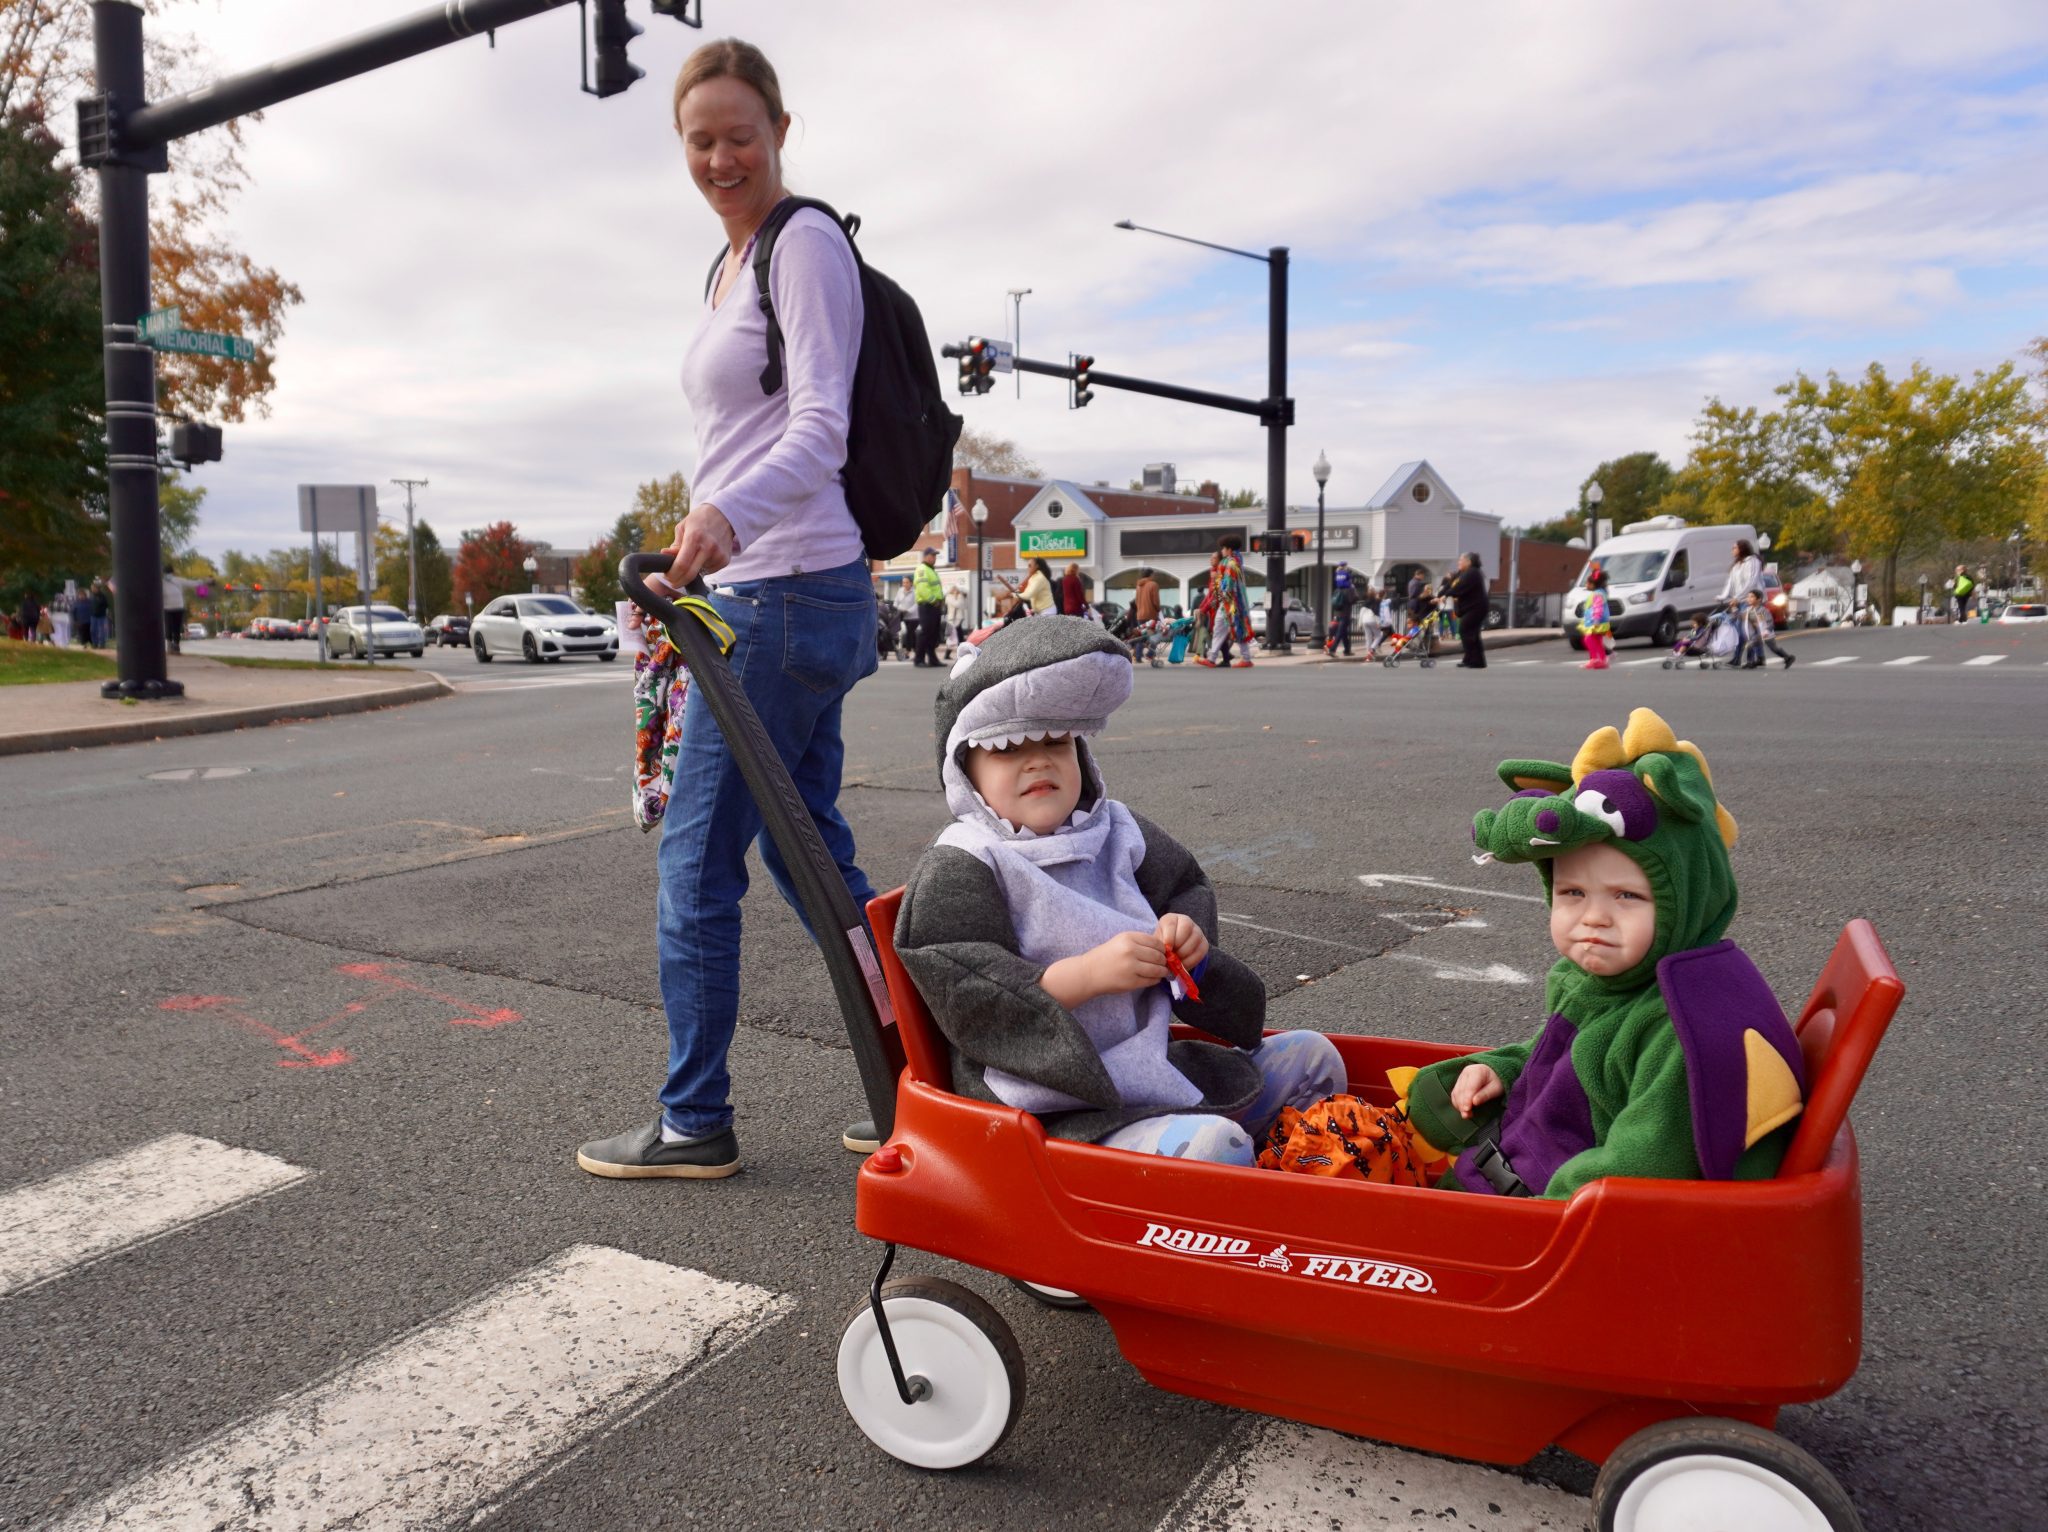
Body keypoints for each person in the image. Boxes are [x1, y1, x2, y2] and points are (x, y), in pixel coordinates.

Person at [579, 37, 882, 1180]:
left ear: (780, 133)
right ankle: (921, 1077)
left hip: (783, 594)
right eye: (698, 139)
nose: (719, 156)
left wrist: (721, 525)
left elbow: (820, 430)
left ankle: (693, 1117)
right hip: (775, 590)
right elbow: (750, 431)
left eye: (738, 135)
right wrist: (701, 539)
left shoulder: (801, 245)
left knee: (698, 865)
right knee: (813, 857)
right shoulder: (732, 264)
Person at [895, 617, 1345, 1164]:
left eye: (1056, 741)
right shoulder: (967, 860)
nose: (1038, 759)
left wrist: (1189, 940)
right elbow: (958, 977)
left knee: (1315, 1057)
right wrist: (1080, 977)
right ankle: (1237, 1179)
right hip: (1061, 1107)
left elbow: (1184, 887)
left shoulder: (1118, 829)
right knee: (1213, 1148)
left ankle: (1295, 1163)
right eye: (1008, 747)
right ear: (964, 771)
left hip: (1156, 1064)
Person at [1397, 708, 1807, 1199]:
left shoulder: (1684, 1032)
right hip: (1513, 1177)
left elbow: (1643, 1164)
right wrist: (1503, 1072)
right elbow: (1568, 1062)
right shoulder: (1611, 982)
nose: (1593, 917)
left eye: (1626, 896)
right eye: (1572, 893)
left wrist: (1543, 1211)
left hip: (1551, 1220)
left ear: (1689, 897)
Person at [1196, 535, 1253, 668]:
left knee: (1235, 629)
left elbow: (1228, 584)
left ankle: (1244, 659)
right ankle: (1213, 658)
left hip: (1231, 603)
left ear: (1229, 549)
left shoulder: (1231, 563)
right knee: (1223, 629)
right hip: (1230, 602)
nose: (1221, 551)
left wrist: (1217, 579)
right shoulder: (1234, 561)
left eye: (1223, 548)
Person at [1446, 552, 1489, 669]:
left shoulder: (1473, 573)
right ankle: (1473, 660)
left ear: (1468, 562)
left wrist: (1446, 595)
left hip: (1476, 608)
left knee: (1465, 630)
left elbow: (1459, 588)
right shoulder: (1463, 573)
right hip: (1471, 608)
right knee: (1472, 633)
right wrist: (1441, 594)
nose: (1458, 562)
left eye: (1461, 560)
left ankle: (1474, 660)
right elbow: (1451, 586)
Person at [1738, 589, 1795, 669]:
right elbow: (1740, 616)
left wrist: (1767, 630)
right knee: (1751, 645)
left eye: (1752, 597)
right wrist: (1734, 609)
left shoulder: (1762, 610)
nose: (1749, 599)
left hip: (1766, 634)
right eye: (1748, 597)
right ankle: (1752, 662)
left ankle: (1788, 658)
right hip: (1758, 634)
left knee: (1774, 648)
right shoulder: (1749, 610)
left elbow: (1769, 622)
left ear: (1759, 599)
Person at [912, 546, 945, 667]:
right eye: (932, 555)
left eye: (935, 556)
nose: (934, 558)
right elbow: (922, 589)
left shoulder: (930, 570)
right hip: (928, 606)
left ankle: (932, 659)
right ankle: (919, 659)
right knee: (925, 632)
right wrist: (933, 600)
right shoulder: (922, 569)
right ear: (925, 556)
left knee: (933, 633)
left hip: (934, 606)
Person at [1579, 562, 1611, 670]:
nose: (1586, 585)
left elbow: (1598, 607)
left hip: (1597, 622)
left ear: (1594, 584)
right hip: (1600, 622)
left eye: (1588, 583)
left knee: (1588, 639)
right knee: (1597, 641)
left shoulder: (1597, 594)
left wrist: (1596, 620)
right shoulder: (1601, 592)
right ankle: (1602, 660)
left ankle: (1594, 659)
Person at [1324, 562, 1355, 656]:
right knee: (1340, 632)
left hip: (1338, 612)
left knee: (1344, 632)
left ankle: (1347, 650)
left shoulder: (1337, 589)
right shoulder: (1349, 589)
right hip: (1345, 613)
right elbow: (1352, 600)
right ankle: (1332, 649)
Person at [162, 561, 188, 654]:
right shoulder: (162, 583)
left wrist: (202, 582)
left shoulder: (177, 581)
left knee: (174, 628)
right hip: (171, 608)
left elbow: (191, 583)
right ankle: (172, 646)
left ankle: (174, 646)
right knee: (172, 627)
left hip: (176, 608)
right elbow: (192, 583)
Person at [90, 579, 110, 648]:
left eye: (93, 588)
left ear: (97, 588)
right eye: (91, 588)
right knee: (93, 630)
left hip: (101, 616)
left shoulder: (102, 596)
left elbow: (106, 605)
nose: (92, 589)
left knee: (101, 631)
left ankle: (102, 644)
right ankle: (94, 644)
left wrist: (101, 608)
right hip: (93, 616)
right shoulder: (91, 596)